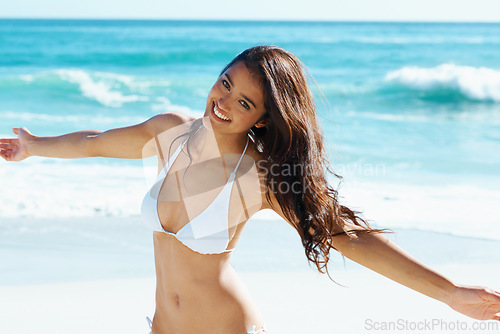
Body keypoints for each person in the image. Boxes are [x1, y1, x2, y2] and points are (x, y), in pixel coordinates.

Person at [1, 45, 499, 334]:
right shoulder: (171, 132)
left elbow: (347, 237)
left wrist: (449, 293)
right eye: (225, 83)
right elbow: (94, 142)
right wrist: (35, 146)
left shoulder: (258, 176)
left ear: (265, 117)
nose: (223, 102)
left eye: (244, 102)